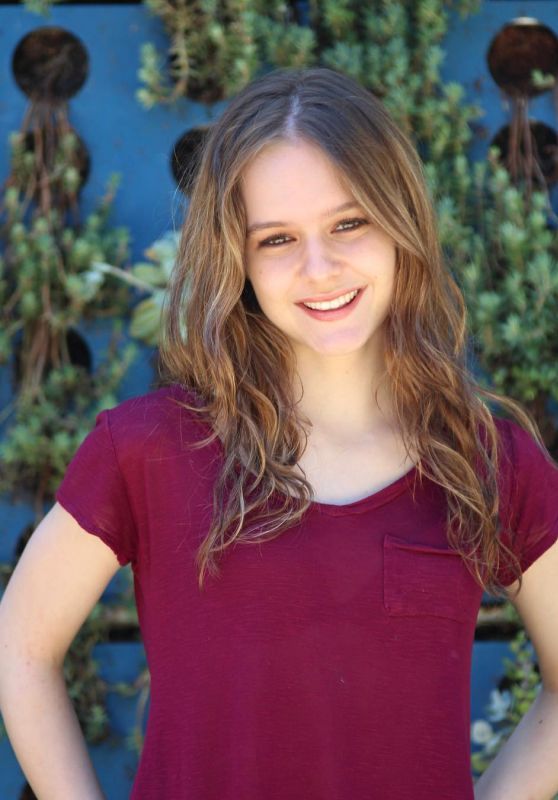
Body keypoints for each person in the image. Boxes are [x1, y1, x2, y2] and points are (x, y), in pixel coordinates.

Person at [1, 66, 558, 800]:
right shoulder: (146, 450)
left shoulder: (488, 462)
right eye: (277, 239)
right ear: (238, 260)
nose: (319, 269)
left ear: (401, 224)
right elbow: (19, 648)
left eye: (348, 223)